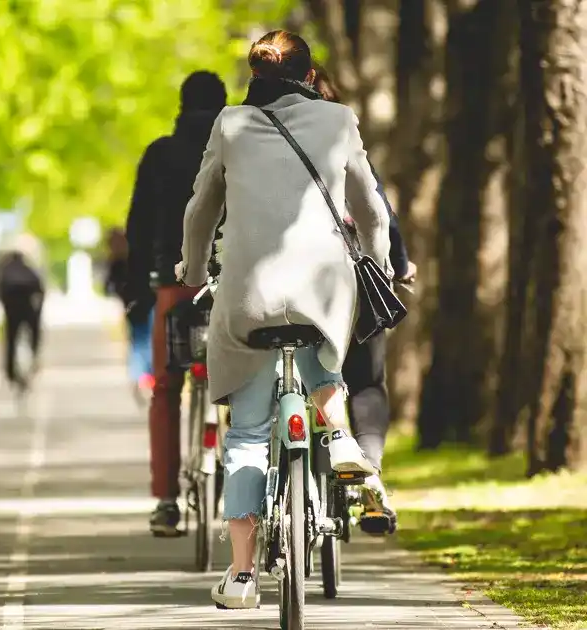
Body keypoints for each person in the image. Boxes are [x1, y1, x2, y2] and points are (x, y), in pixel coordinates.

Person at [174, 30, 390, 608]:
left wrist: (192, 269)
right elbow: (371, 210)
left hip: (250, 292)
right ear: (309, 74)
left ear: (254, 75)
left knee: (246, 435)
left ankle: (243, 575)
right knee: (325, 352)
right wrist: (382, 265)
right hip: (324, 288)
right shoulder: (339, 120)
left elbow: (201, 208)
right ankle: (339, 437)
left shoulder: (230, 124)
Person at [122, 70, 229, 536]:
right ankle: (247, 489)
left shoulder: (160, 154)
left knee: (166, 390)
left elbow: (138, 225)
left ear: (181, 105)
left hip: (174, 283)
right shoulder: (239, 148)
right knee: (247, 390)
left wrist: (135, 289)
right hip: (230, 283)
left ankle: (166, 500)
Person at [312, 64, 416, 531]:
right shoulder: (342, 137)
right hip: (353, 276)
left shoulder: (259, 139)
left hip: (285, 289)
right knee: (367, 381)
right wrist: (397, 265)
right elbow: (380, 213)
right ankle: (370, 474)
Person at [104, 228, 155, 404]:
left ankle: (140, 377)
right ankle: (145, 377)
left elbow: (109, 287)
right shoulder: (138, 258)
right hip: (146, 303)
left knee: (139, 341)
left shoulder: (116, 262)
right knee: (145, 341)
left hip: (133, 306)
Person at [0, 246, 45, 392]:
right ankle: (34, 356)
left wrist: (5, 306)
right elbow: (40, 289)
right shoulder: (28, 269)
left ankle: (10, 372)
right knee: (34, 334)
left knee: (11, 340)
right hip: (28, 307)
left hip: (12, 310)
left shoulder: (5, 272)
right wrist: (38, 310)